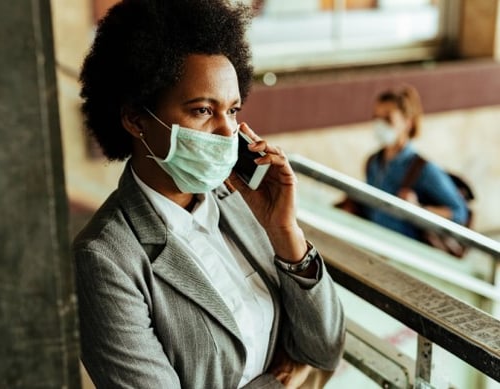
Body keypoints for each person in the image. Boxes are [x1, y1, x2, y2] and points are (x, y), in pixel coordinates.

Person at [73, 0, 345, 388]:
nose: (226, 132)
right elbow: (307, 368)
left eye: (233, 110)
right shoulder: (105, 259)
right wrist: (281, 383)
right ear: (136, 119)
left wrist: (285, 234)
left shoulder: (239, 202)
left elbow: (324, 351)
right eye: (202, 111)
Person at [340, 85, 469, 242]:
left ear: (407, 123)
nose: (380, 124)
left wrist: (419, 209)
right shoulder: (373, 162)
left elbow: (459, 213)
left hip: (406, 252)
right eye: (376, 118)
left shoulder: (422, 169)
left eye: (388, 118)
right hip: (374, 244)